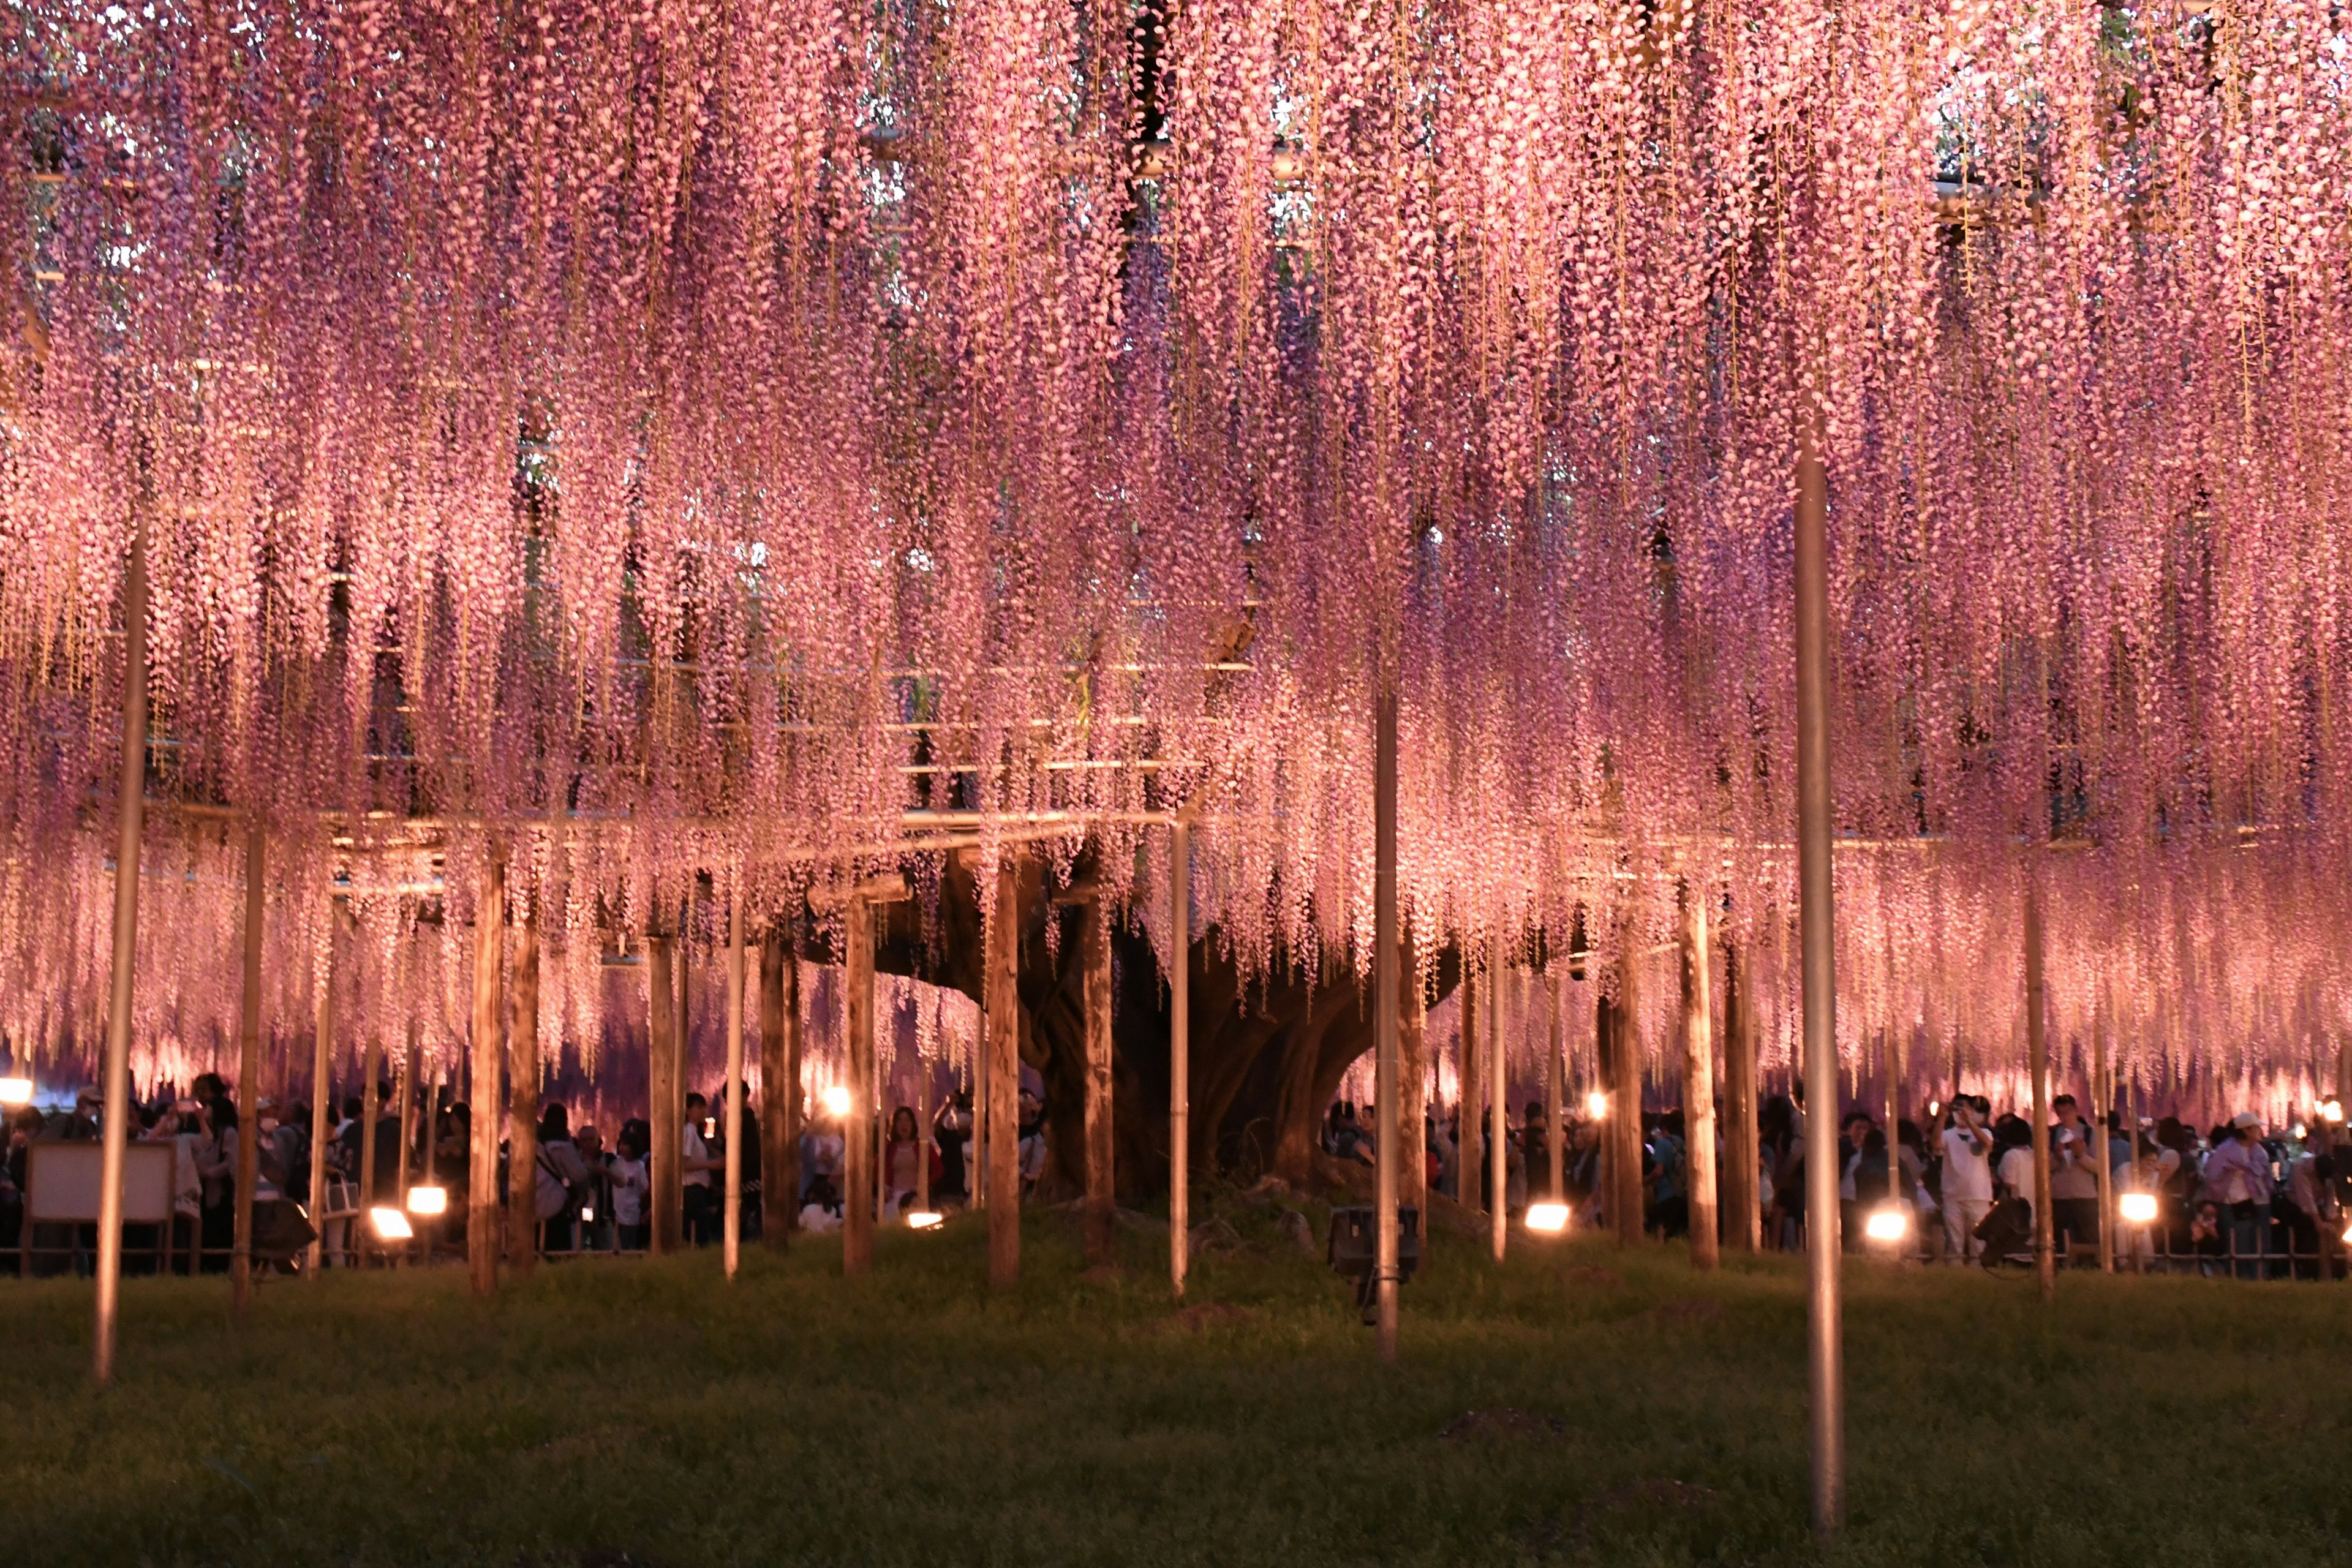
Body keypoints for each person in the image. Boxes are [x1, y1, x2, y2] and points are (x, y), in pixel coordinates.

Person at [2202, 1112, 2275, 1280]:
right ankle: (2240, 1279)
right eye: (2257, 1128)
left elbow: (2266, 1176)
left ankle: (2260, 1277)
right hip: (2235, 1203)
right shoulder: (2225, 1151)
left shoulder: (2259, 1151)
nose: (2260, 1131)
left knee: (2261, 1243)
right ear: (2247, 1131)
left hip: (2260, 1201)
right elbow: (2213, 1177)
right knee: (2239, 1244)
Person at [533, 1104, 594, 1253]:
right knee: (557, 1253)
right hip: (555, 1209)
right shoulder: (562, 1147)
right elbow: (580, 1175)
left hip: (532, 1208)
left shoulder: (535, 1147)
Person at [2049, 1094, 2101, 1262]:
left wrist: (2081, 1156)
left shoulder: (2090, 1133)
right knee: (2057, 1242)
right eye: (2061, 1113)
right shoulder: (2051, 1135)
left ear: (2076, 1110)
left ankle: (2088, 1272)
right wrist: (2057, 1157)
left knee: (2088, 1241)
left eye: (2069, 1111)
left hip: (2085, 1196)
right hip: (2058, 1197)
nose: (2065, 1116)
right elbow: (2044, 1169)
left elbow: (2100, 1167)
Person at [681, 1092, 722, 1245]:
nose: (702, 1110)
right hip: (692, 1189)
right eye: (698, 1107)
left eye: (703, 1107)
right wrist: (710, 1165)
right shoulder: (689, 1132)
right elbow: (683, 1165)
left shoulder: (695, 1133)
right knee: (698, 1236)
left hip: (699, 1189)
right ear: (688, 1110)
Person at [609, 1129, 650, 1251]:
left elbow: (645, 1188)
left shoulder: (640, 1166)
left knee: (628, 1247)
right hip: (616, 1211)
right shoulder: (616, 1162)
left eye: (626, 1144)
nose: (622, 1148)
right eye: (621, 1144)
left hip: (631, 1214)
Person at [933, 1090, 973, 1207]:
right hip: (948, 1192)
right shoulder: (948, 1137)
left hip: (969, 1193)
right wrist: (948, 1105)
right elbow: (937, 1125)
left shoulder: (976, 1139)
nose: (963, 1115)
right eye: (959, 1112)